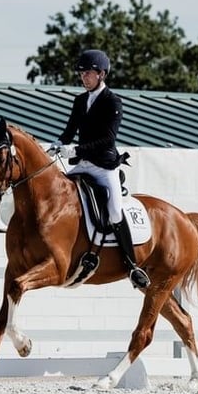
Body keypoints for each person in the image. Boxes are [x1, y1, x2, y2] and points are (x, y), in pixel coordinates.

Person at [49, 49, 150, 290]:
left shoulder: (112, 102)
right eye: (82, 74)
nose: (84, 78)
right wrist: (59, 143)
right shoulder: (80, 100)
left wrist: (75, 151)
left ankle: (131, 264)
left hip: (104, 167)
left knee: (115, 211)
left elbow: (107, 139)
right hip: (82, 166)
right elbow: (70, 129)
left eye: (89, 73)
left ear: (102, 74)